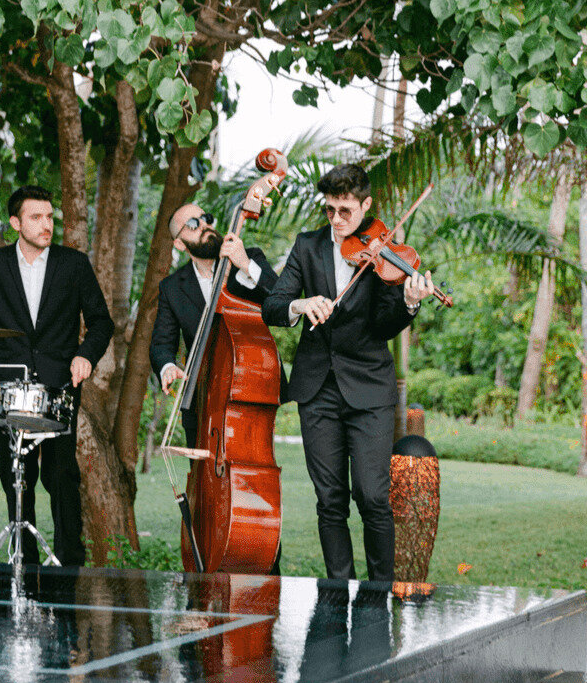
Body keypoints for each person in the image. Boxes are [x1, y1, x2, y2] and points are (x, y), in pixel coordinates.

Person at [262, 164, 436, 582]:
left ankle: (380, 594)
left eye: (346, 211)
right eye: (330, 211)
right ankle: (338, 592)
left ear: (366, 206)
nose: (337, 221)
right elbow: (273, 304)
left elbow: (382, 325)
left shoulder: (384, 252)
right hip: (317, 388)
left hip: (369, 390)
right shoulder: (307, 247)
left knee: (373, 496)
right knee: (330, 499)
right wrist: (300, 306)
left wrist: (408, 303)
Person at [0, 184, 114, 568]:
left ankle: (70, 564)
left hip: (59, 386)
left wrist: (85, 355)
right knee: (16, 475)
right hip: (7, 386)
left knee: (62, 475)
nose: (47, 224)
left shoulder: (73, 264)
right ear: (15, 223)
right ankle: (24, 565)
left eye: (50, 217)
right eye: (36, 217)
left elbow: (101, 323)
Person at [149, 203, 283, 448]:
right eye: (192, 224)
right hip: (201, 400)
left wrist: (244, 264)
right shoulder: (172, 287)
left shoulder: (249, 258)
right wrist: (167, 366)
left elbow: (282, 302)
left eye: (205, 218)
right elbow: (161, 342)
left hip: (248, 393)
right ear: (179, 243)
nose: (204, 226)